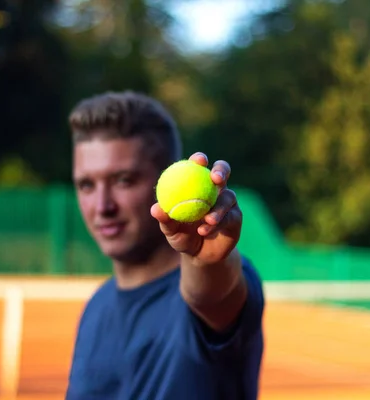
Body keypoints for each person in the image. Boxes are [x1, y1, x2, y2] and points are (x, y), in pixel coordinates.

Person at [65, 90, 265, 400]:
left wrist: (205, 261)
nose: (102, 206)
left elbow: (213, 295)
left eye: (123, 180)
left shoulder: (212, 288)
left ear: (165, 181)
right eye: (86, 185)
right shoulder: (96, 306)